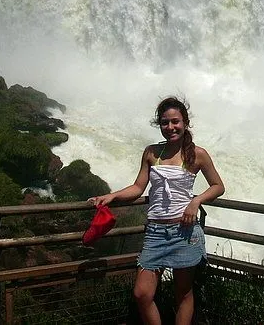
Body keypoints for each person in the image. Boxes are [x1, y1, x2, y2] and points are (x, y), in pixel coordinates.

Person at [89, 96, 225, 325]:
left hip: (185, 232)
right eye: (164, 123)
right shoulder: (152, 152)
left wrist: (195, 202)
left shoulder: (197, 154)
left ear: (185, 122)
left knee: (183, 293)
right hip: (155, 233)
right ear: (159, 125)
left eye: (175, 121)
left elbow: (218, 186)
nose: (170, 127)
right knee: (142, 293)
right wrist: (112, 196)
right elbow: (138, 187)